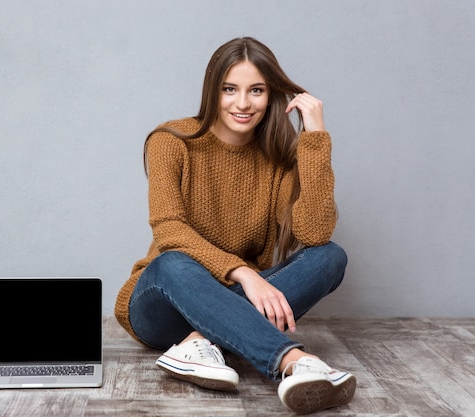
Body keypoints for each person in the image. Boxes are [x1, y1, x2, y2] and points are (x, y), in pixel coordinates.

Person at [114, 36, 356, 415]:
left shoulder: (279, 159)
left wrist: (315, 139)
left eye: (256, 90)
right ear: (213, 91)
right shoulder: (171, 141)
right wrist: (245, 273)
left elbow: (314, 233)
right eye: (230, 89)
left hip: (235, 303)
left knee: (330, 257)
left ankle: (200, 344)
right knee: (173, 260)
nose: (242, 103)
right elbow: (168, 229)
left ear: (270, 95)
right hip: (162, 303)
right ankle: (292, 361)